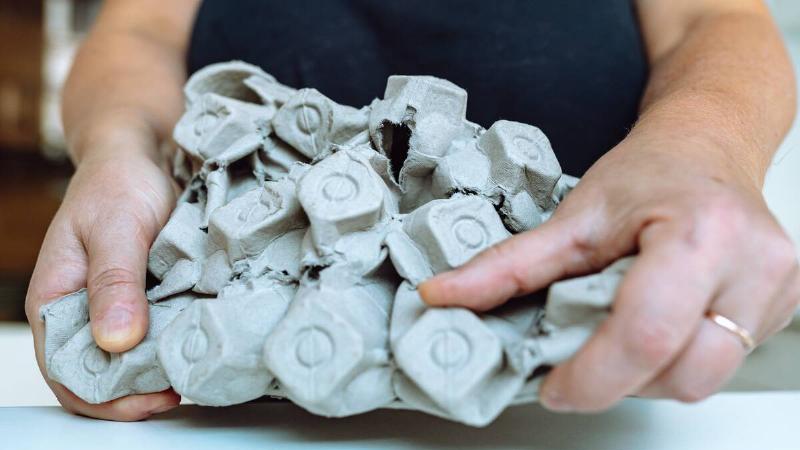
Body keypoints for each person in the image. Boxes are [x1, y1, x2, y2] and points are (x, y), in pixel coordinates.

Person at [25, 0, 799, 421]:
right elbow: (141, 29)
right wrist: (121, 147)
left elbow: (715, 18)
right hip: (230, 416)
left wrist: (703, 148)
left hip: (586, 402)